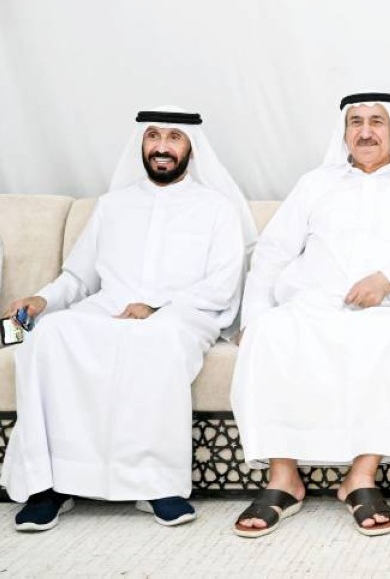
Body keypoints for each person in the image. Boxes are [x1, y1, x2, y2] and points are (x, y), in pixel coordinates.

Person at [1, 107, 253, 531]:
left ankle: (156, 485)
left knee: (154, 339)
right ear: (142, 143)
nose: (161, 147)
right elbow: (78, 277)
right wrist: (42, 300)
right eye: (153, 136)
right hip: (110, 306)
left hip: (183, 314)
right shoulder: (113, 204)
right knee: (50, 335)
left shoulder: (217, 208)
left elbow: (222, 285)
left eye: (173, 138)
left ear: (191, 147)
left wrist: (156, 307)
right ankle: (51, 486)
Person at [231, 92, 390, 538]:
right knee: (268, 333)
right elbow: (274, 250)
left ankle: (361, 476)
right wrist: (254, 314)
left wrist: (388, 280)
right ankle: (283, 478)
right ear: (344, 132)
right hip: (313, 304)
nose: (366, 132)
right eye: (356, 122)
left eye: (377, 121)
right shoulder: (315, 183)